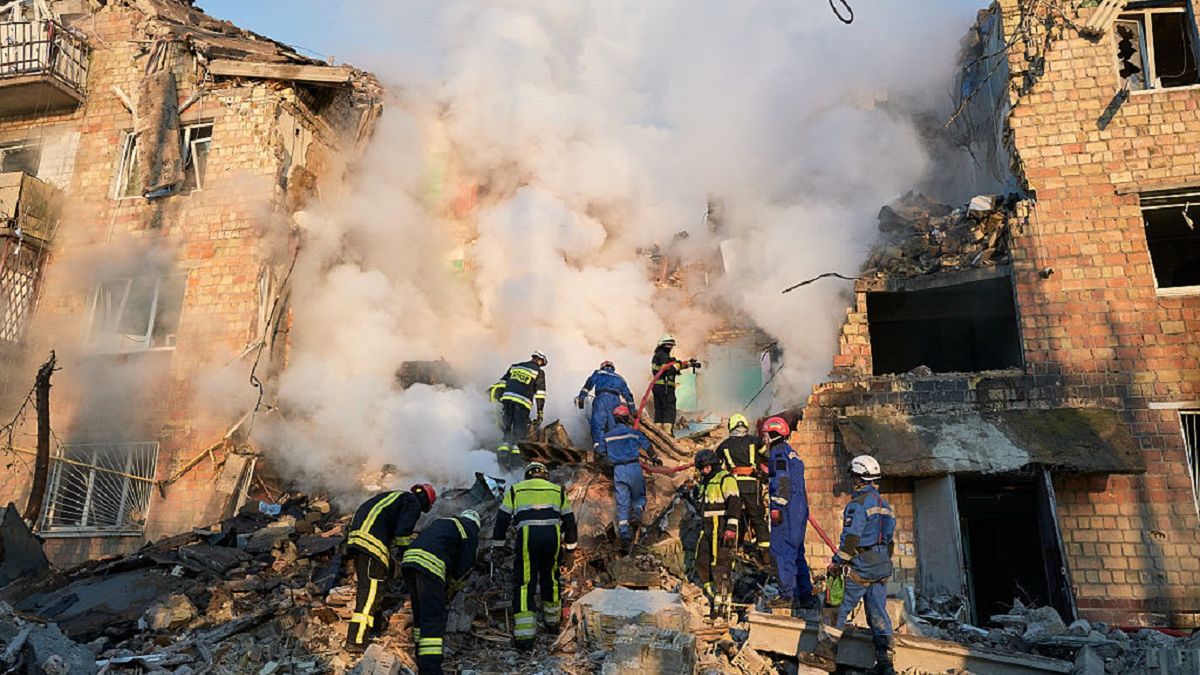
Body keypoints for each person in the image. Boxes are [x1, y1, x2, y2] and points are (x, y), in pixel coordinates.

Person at [805, 455, 896, 675]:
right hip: (882, 563)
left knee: (835, 607)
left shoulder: (857, 505)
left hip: (863, 563)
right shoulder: (885, 504)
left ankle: (824, 656)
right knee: (877, 611)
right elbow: (890, 539)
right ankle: (885, 663)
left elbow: (852, 537)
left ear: (858, 478)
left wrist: (837, 563)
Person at [490, 462, 578, 649]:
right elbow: (570, 522)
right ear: (545, 475)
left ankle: (525, 637)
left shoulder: (516, 490)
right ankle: (553, 623)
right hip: (552, 538)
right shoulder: (557, 490)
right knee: (551, 578)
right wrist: (570, 551)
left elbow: (502, 519)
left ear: (527, 475)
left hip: (528, 538)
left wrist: (498, 545)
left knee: (525, 582)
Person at [344, 483, 436, 651]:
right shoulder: (412, 503)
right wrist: (406, 555)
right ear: (425, 502)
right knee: (370, 591)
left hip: (357, 541)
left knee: (375, 585)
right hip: (372, 544)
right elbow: (402, 534)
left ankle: (376, 625)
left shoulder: (394, 498)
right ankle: (355, 640)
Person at [400, 509, 482, 675]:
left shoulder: (444, 522)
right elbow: (465, 563)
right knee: (433, 617)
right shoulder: (469, 529)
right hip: (430, 564)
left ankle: (420, 657)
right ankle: (431, 669)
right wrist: (455, 586)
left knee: (420, 614)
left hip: (409, 561)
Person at [763, 416, 818, 612]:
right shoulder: (792, 453)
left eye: (766, 435)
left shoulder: (777, 453)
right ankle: (805, 595)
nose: (764, 439)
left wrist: (777, 506)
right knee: (797, 552)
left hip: (786, 510)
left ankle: (787, 595)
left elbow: (782, 480)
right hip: (799, 509)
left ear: (772, 433)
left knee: (781, 550)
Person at [603, 405, 662, 554]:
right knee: (639, 497)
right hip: (633, 468)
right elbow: (647, 445)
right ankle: (636, 514)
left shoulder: (608, 436)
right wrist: (655, 459)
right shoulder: (633, 433)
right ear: (626, 418)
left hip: (618, 471)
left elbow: (600, 452)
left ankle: (624, 536)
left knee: (622, 504)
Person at [716, 413, 771, 564]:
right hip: (752, 485)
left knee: (733, 517)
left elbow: (716, 466)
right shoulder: (756, 442)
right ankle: (765, 554)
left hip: (733, 486)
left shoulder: (724, 445)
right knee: (757, 518)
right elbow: (768, 456)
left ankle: (732, 550)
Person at [693, 448, 741, 619]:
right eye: (701, 468)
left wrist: (731, 528)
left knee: (721, 563)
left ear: (713, 464)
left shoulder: (726, 479)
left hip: (720, 526)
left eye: (706, 467)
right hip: (706, 527)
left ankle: (724, 604)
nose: (704, 471)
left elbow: (734, 504)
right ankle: (713, 595)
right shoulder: (705, 481)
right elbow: (700, 502)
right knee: (702, 561)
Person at [493, 351, 549, 471]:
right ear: (539, 360)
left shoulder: (515, 366)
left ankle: (501, 462)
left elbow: (501, 384)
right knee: (519, 435)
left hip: (507, 401)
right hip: (522, 404)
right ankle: (515, 466)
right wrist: (540, 412)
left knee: (506, 432)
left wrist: (500, 400)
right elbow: (540, 394)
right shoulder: (539, 372)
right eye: (542, 363)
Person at [575, 361, 636, 460]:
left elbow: (588, 386)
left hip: (601, 399)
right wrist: (632, 410)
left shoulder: (598, 373)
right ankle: (613, 451)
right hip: (615, 401)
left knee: (598, 424)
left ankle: (600, 452)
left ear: (603, 367)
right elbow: (628, 395)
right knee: (612, 425)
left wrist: (581, 397)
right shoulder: (620, 378)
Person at [649, 335, 699, 435]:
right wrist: (678, 365)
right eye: (668, 345)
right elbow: (667, 370)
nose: (670, 347)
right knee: (669, 409)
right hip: (666, 388)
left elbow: (674, 365)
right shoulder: (663, 356)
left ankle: (658, 433)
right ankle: (667, 433)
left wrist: (688, 364)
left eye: (671, 345)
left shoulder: (659, 356)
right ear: (662, 345)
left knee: (659, 410)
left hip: (658, 388)